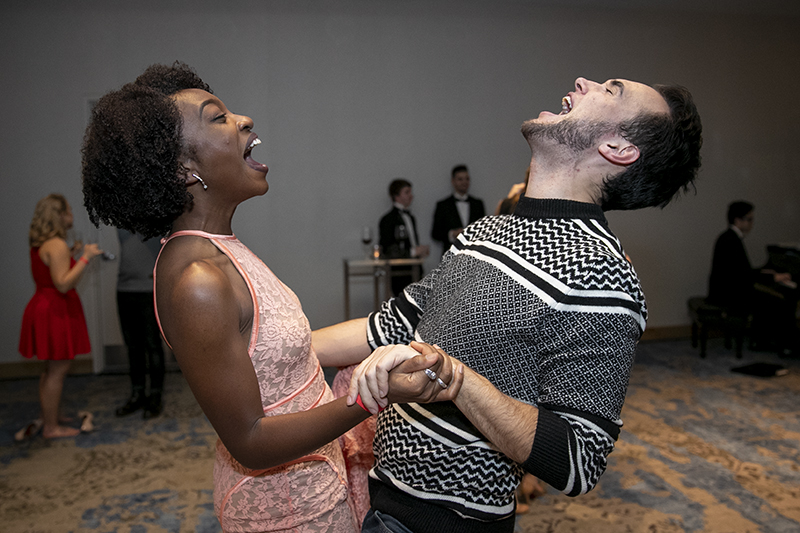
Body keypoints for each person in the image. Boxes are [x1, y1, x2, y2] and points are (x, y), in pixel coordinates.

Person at [81, 62, 462, 533]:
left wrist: (378, 351)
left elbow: (273, 353)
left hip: (314, 479)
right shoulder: (197, 279)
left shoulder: (220, 247)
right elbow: (250, 441)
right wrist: (372, 396)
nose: (244, 120)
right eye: (217, 117)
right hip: (286, 508)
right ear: (184, 170)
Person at [314, 76, 703, 532]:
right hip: (379, 499)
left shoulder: (603, 273)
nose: (584, 81)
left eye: (611, 90)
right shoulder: (485, 232)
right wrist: (270, 346)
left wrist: (455, 379)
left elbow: (577, 460)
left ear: (618, 149)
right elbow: (390, 326)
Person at [18, 194, 103, 439]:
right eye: (68, 211)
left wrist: (72, 252)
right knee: (57, 370)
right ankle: (52, 428)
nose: (72, 216)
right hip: (55, 310)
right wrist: (86, 256)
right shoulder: (56, 245)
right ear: (60, 215)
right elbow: (63, 284)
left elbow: (53, 271)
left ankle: (49, 417)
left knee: (50, 369)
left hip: (43, 305)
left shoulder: (44, 243)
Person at [708, 201, 797, 352]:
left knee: (769, 298)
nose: (751, 223)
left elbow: (741, 271)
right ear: (738, 220)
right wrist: (773, 278)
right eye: (749, 219)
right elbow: (742, 275)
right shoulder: (731, 240)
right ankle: (775, 343)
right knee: (774, 300)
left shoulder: (728, 237)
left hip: (728, 289)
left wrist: (764, 273)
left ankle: (765, 340)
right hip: (728, 294)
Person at [114, 228, 166, 419]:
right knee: (132, 346)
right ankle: (137, 394)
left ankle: (155, 396)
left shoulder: (154, 215)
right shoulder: (122, 216)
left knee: (153, 345)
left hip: (149, 290)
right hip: (124, 289)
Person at [378, 179, 429, 296]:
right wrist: (413, 251)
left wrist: (420, 251)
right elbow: (387, 249)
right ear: (396, 196)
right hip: (399, 273)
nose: (411, 196)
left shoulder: (411, 217)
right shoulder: (388, 220)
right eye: (407, 192)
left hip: (415, 271)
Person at [430, 165, 485, 255]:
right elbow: (435, 233)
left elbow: (484, 230)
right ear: (453, 181)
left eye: (467, 179)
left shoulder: (478, 204)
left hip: (474, 255)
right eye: (460, 179)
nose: (464, 182)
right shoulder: (443, 205)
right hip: (451, 255)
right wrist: (452, 234)